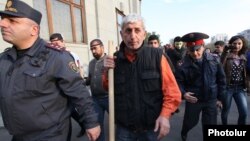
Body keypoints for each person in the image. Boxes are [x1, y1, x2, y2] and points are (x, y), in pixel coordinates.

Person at [0, 0, 100, 141]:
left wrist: (91, 122)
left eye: (12, 21)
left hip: (50, 134)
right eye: (3, 19)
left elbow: (79, 92)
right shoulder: (4, 59)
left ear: (34, 30)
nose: (2, 24)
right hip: (18, 135)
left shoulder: (56, 58)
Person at [103, 13, 182, 141]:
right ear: (121, 34)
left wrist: (165, 115)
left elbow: (172, 92)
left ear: (144, 34)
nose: (133, 36)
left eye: (137, 30)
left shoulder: (157, 57)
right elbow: (107, 87)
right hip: (124, 130)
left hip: (150, 130)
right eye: (128, 31)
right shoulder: (114, 60)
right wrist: (107, 71)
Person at [175, 32, 226, 141]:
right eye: (191, 50)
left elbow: (221, 80)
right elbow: (178, 82)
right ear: (187, 49)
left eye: (197, 49)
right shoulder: (182, 64)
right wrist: (183, 93)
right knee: (190, 122)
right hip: (194, 99)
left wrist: (220, 99)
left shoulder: (214, 60)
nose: (195, 53)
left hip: (211, 99)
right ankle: (184, 132)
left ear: (203, 46)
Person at [220, 35, 248, 125]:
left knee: (244, 113)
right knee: (225, 111)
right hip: (227, 88)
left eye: (239, 43)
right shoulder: (226, 55)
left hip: (240, 88)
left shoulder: (244, 57)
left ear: (243, 44)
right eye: (234, 43)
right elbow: (220, 66)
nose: (237, 45)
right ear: (231, 44)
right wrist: (225, 52)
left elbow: (246, 74)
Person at [85, 39, 109, 141]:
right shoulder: (91, 63)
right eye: (91, 49)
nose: (93, 51)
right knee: (97, 125)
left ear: (102, 47)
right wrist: (80, 81)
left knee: (119, 122)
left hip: (109, 98)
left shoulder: (110, 60)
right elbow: (90, 79)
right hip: (95, 99)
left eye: (95, 48)